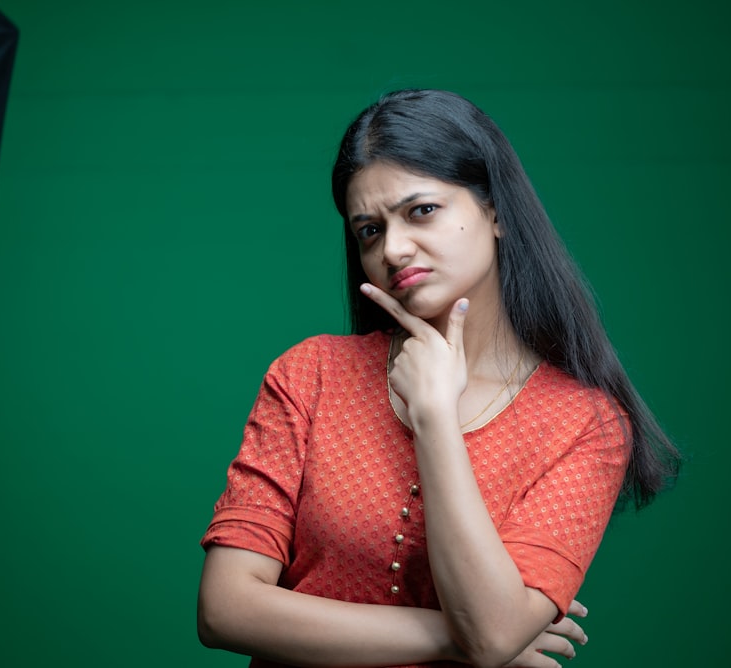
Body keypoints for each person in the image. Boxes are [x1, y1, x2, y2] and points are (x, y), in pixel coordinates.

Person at [197, 89, 680, 668]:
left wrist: (434, 416)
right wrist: (464, 639)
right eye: (369, 231)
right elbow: (225, 609)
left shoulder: (585, 424)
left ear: (496, 210)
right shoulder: (311, 374)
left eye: (421, 210)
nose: (394, 249)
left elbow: (494, 632)